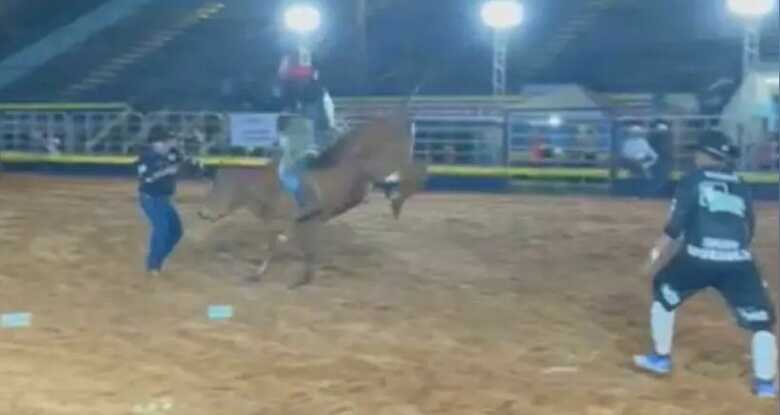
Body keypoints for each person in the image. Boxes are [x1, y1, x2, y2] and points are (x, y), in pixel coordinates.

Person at [633, 129, 777, 398]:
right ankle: (766, 384)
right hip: (738, 262)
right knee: (762, 323)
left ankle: (660, 358)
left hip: (697, 258)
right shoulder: (740, 183)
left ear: (704, 155)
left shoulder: (692, 180)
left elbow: (674, 227)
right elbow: (749, 228)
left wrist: (654, 256)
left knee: (663, 292)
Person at [135, 125, 184, 275]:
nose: (169, 145)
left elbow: (182, 161)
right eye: (166, 142)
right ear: (156, 143)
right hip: (151, 199)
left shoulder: (171, 153)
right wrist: (166, 171)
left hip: (164, 199)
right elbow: (146, 178)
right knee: (162, 229)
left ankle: (157, 259)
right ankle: (153, 265)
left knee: (176, 231)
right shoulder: (146, 157)